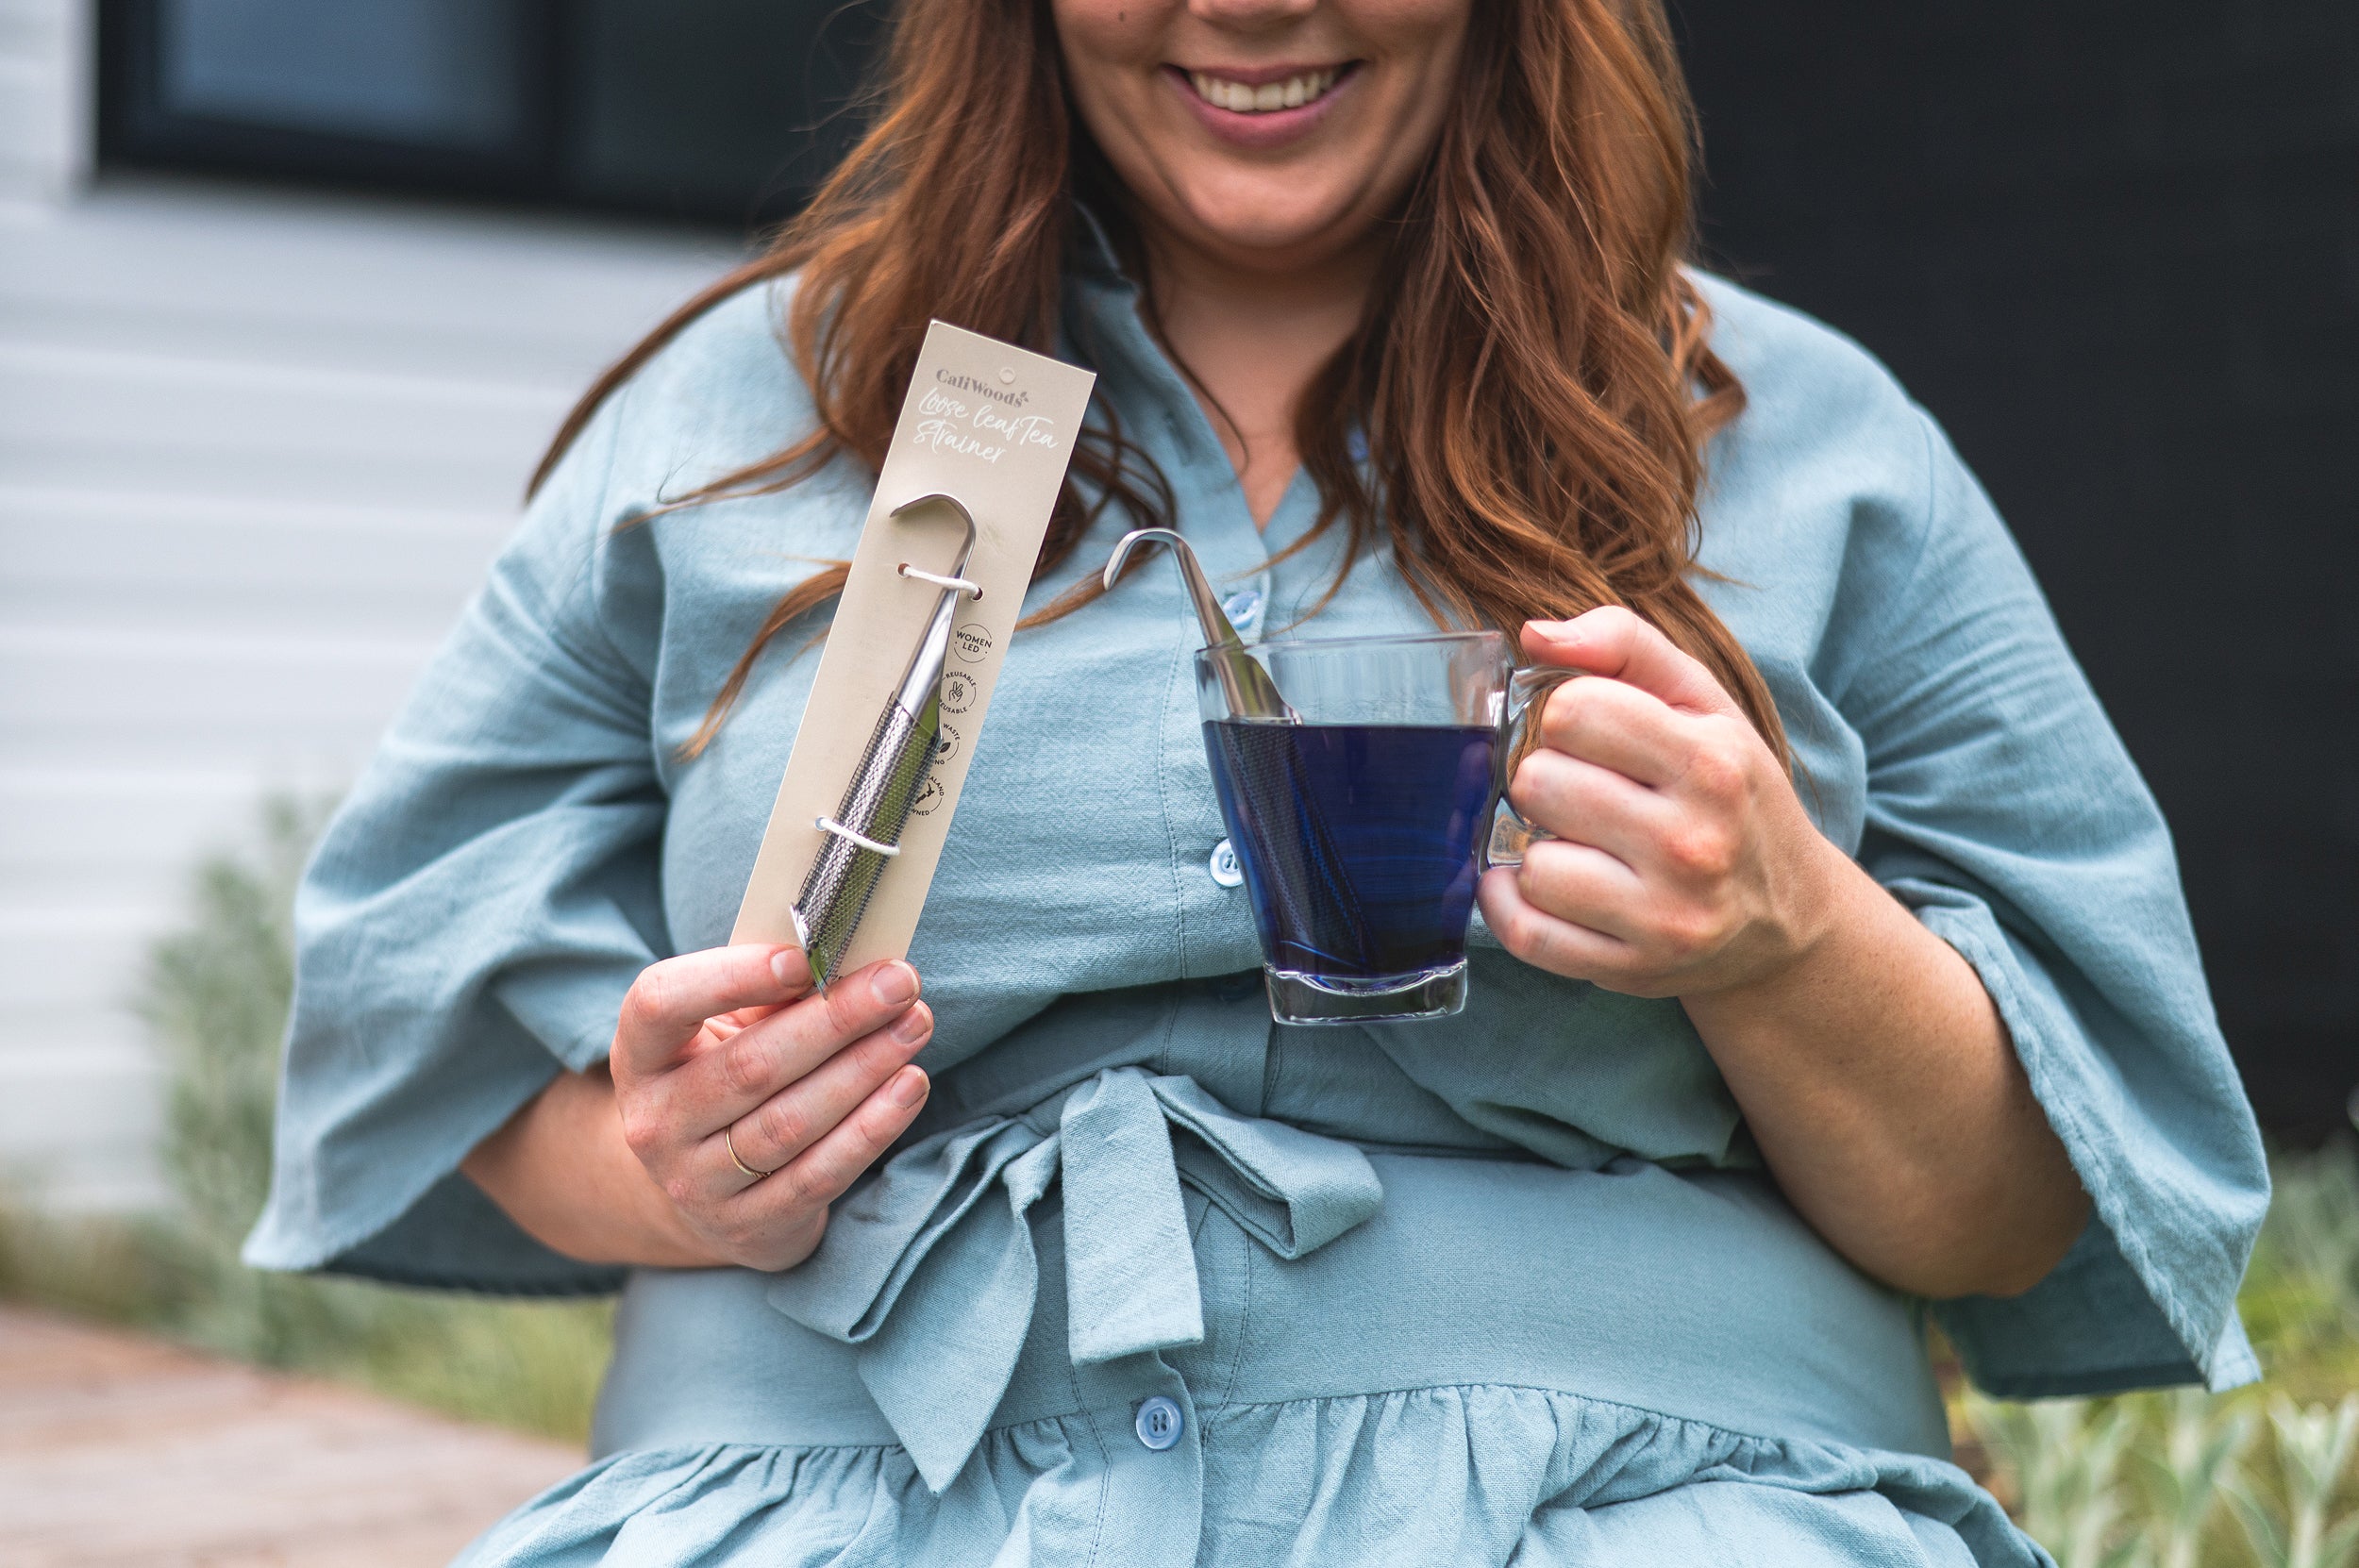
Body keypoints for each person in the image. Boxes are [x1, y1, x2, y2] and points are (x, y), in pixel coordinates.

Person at [245, 0, 2270, 1561]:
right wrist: (666, 1172)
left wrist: (1783, 940)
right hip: (841, 1495)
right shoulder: (760, 416)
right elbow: (426, 994)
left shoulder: (1798, 440)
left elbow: (2016, 1211)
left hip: (1648, 1507)